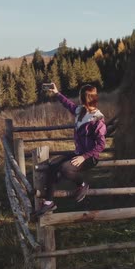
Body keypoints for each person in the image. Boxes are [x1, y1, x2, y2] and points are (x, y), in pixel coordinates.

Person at [33, 83, 107, 217]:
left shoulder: (97, 119)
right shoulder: (80, 111)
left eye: (81, 97)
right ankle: (49, 202)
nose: (79, 99)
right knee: (53, 165)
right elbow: (68, 104)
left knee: (65, 169)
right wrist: (56, 92)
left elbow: (101, 145)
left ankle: (82, 184)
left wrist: (84, 157)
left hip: (90, 157)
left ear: (85, 98)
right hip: (79, 153)